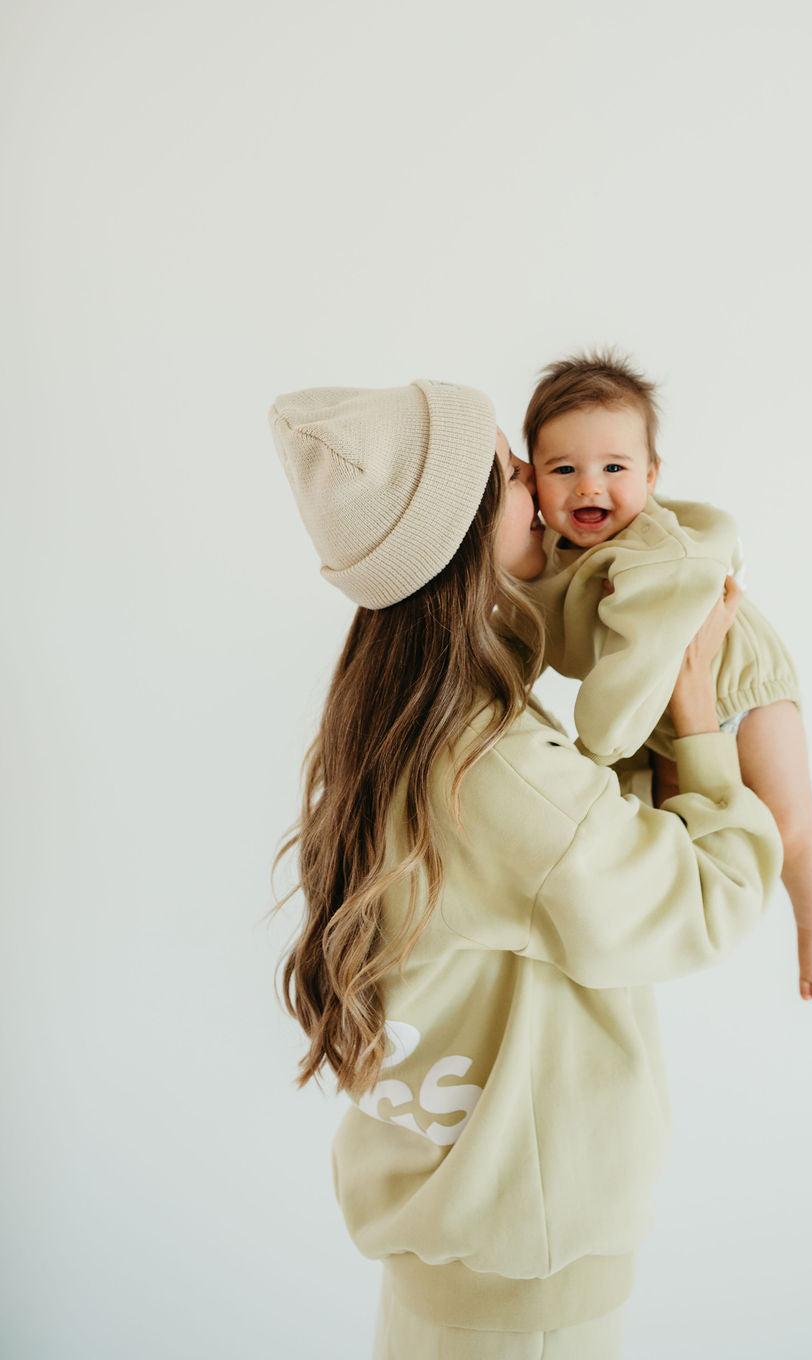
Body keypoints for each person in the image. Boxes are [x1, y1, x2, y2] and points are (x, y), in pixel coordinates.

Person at [268, 377, 785, 1358]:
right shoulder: (500, 768)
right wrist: (698, 716)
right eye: (512, 472)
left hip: (454, 1253)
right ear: (461, 531)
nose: (540, 489)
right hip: (530, 1284)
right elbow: (705, 904)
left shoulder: (403, 720)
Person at [523, 351, 812, 1003]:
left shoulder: (652, 553)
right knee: (680, 837)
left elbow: (627, 676)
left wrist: (595, 753)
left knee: (790, 827)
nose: (589, 487)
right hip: (669, 711)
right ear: (532, 481)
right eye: (564, 470)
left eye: (614, 468)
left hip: (741, 687)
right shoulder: (553, 552)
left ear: (652, 474)